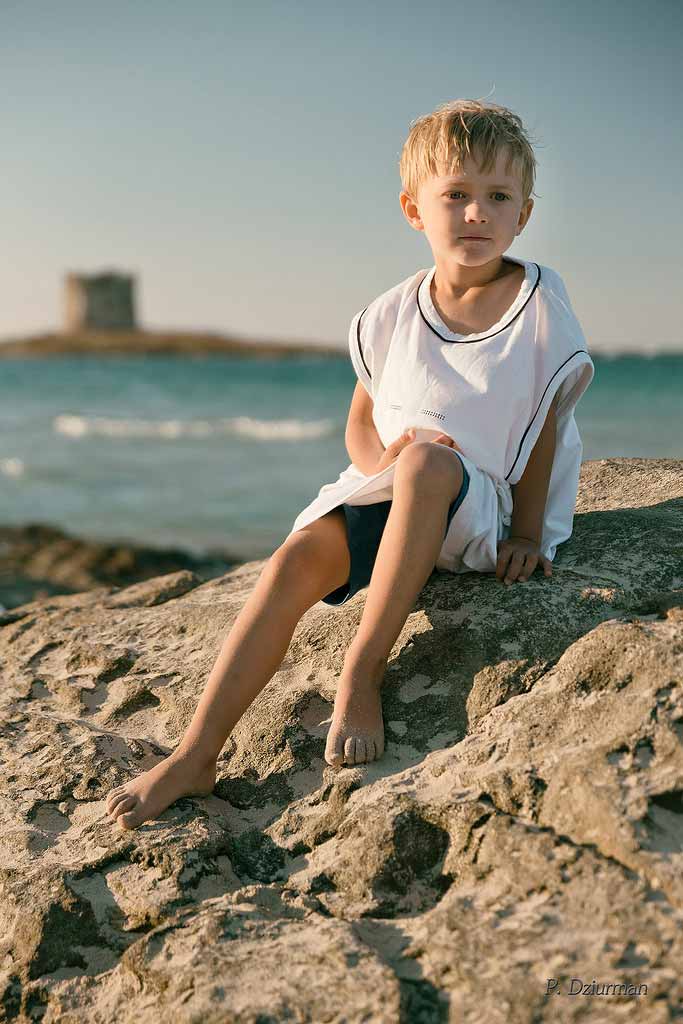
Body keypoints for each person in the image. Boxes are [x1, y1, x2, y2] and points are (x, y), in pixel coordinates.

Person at [106, 98, 594, 830]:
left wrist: (526, 533)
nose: (474, 215)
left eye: (497, 198)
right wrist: (385, 464)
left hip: (482, 504)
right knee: (294, 558)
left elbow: (544, 426)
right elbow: (363, 423)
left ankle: (361, 669)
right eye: (454, 195)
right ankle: (196, 752)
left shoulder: (536, 309)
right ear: (412, 209)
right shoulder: (391, 312)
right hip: (404, 497)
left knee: (429, 464)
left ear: (522, 215)